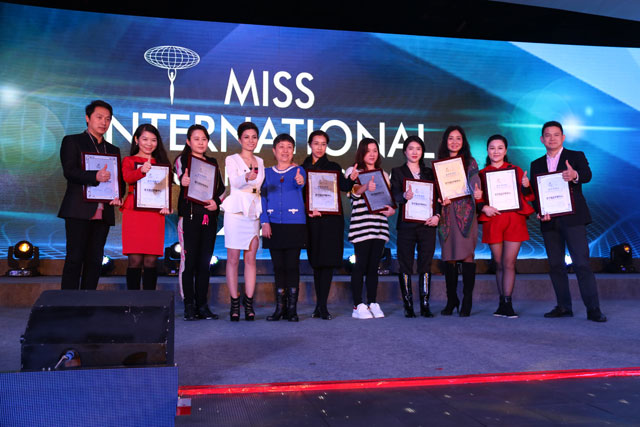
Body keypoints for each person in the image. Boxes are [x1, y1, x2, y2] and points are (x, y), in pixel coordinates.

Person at [530, 121, 606, 322]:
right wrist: (540, 211)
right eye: (548, 135)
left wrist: (575, 175)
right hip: (549, 221)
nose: (552, 138)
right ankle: (564, 306)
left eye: (556, 134)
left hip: (573, 219)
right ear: (542, 139)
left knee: (581, 264)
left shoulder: (576, 156)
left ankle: (593, 309)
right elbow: (536, 193)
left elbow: (587, 175)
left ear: (563, 137)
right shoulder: (536, 164)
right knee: (555, 265)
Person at [58, 100, 121, 290]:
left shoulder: (113, 150)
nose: (104, 122)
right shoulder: (72, 141)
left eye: (107, 119)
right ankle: (67, 302)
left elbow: (118, 180)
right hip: (78, 210)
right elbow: (69, 171)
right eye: (99, 117)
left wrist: (118, 194)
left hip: (103, 212)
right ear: (87, 118)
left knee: (95, 260)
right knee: (75, 258)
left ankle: (88, 300)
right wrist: (95, 176)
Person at [302, 130, 358, 320]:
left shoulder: (333, 166)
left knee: (327, 264)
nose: (320, 147)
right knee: (316, 263)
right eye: (316, 143)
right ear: (310, 145)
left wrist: (352, 178)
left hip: (331, 222)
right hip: (312, 220)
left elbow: (344, 186)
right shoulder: (303, 168)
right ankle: (319, 305)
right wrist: (308, 210)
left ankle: (322, 306)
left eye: (323, 144)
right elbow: (301, 194)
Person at [477, 135, 534, 318]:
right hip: (494, 221)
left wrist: (526, 185)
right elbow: (478, 201)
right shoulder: (481, 174)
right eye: (492, 148)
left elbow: (528, 196)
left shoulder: (515, 170)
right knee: (499, 263)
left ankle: (508, 303)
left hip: (514, 220)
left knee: (509, 263)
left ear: (506, 151)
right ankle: (502, 302)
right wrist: (481, 204)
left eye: (500, 148)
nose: (496, 151)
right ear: (487, 151)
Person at [174, 124, 225, 320]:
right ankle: (189, 305)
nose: (201, 142)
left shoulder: (212, 163)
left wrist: (216, 202)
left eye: (204, 139)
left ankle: (202, 305)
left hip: (208, 218)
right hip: (189, 218)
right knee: (189, 263)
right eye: (196, 139)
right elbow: (181, 177)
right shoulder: (183, 160)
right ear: (188, 141)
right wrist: (184, 181)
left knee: (205, 263)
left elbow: (221, 189)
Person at [390, 136, 441, 318]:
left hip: (427, 224)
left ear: (422, 152)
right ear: (405, 151)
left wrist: (437, 216)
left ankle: (425, 304)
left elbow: (438, 198)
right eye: (411, 148)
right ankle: (408, 304)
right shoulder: (397, 171)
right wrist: (404, 196)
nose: (414, 152)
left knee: (425, 264)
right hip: (406, 225)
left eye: (418, 149)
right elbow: (394, 195)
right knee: (405, 264)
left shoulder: (430, 173)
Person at [346, 138, 395, 319]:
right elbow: (353, 193)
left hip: (379, 226)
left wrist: (391, 210)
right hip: (361, 226)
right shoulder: (353, 171)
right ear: (362, 153)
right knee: (360, 265)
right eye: (368, 151)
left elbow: (388, 201)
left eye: (375, 150)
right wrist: (366, 186)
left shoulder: (384, 175)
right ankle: (358, 305)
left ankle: (372, 302)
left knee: (374, 267)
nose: (372, 154)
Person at [221, 122, 264, 321]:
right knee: (232, 259)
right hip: (235, 211)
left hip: (253, 212)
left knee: (250, 259)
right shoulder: (232, 159)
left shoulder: (260, 161)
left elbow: (259, 186)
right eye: (246, 137)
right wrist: (246, 176)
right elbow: (235, 182)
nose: (250, 141)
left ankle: (249, 303)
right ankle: (234, 302)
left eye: (254, 137)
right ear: (240, 139)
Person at [261, 134, 307, 322]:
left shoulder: (299, 170)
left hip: (294, 224)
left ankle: (292, 309)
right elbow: (262, 198)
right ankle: (279, 308)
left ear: (293, 151)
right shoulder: (266, 173)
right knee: (278, 267)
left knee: (292, 266)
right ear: (274, 150)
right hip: (273, 225)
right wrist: (265, 221)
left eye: (289, 147)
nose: (285, 151)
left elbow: (300, 183)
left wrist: (300, 181)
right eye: (281, 147)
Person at [437, 125, 481, 317]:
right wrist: (440, 198)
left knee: (467, 256)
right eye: (450, 138)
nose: (454, 142)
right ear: (445, 141)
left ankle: (467, 300)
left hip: (466, 214)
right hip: (446, 214)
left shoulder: (470, 162)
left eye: (458, 138)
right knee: (449, 256)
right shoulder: (439, 164)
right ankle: (452, 299)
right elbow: (436, 190)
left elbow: (474, 181)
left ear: (463, 142)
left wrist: (477, 191)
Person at [121, 124, 171, 290]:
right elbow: (127, 177)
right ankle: (132, 301)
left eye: (153, 140)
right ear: (136, 140)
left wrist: (167, 205)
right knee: (134, 260)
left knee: (151, 260)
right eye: (145, 139)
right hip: (134, 213)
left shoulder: (161, 164)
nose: (149, 143)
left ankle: (150, 301)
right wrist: (141, 170)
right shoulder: (129, 161)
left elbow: (165, 191)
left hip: (154, 214)